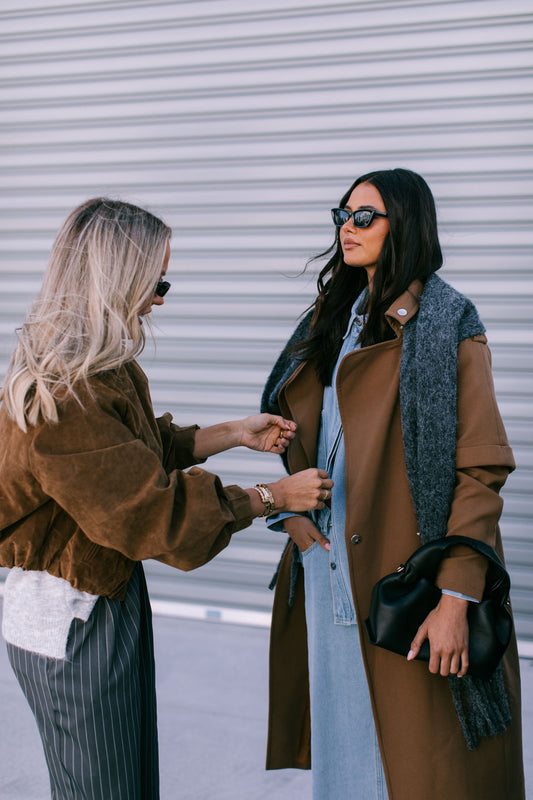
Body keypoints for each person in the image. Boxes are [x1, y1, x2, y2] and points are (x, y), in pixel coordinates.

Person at [0, 197, 333, 800]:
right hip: (74, 618)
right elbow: (151, 513)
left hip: (95, 598)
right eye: (158, 281)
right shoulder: (68, 393)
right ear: (116, 278)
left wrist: (231, 433)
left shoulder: (96, 368)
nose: (161, 296)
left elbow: (134, 452)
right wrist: (272, 495)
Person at [261, 168, 525, 800]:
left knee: (418, 767)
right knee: (345, 756)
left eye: (363, 216)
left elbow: (481, 467)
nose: (345, 229)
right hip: (329, 574)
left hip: (407, 581)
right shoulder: (332, 317)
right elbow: (310, 437)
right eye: (342, 214)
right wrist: (293, 520)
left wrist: (458, 594)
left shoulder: (448, 321)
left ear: (402, 224)